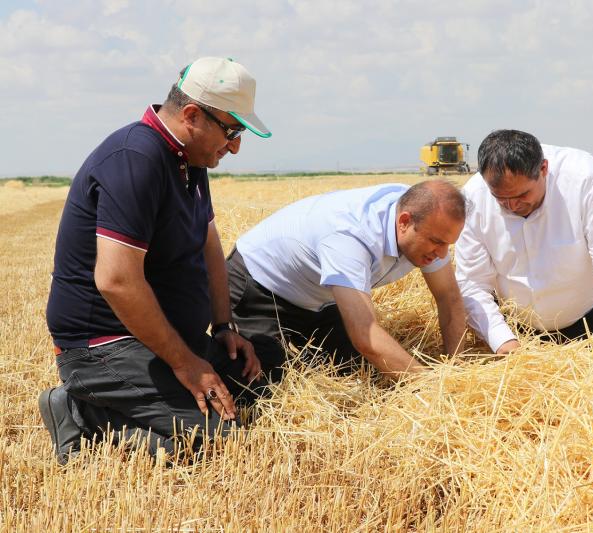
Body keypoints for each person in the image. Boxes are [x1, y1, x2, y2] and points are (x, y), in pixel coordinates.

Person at [40, 57, 272, 464]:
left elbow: (208, 244)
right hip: (102, 346)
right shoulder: (136, 159)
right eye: (232, 130)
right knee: (220, 441)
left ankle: (128, 402)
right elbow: (116, 281)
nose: (235, 145)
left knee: (256, 384)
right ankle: (82, 412)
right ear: (192, 115)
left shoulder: (189, 160)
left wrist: (223, 327)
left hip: (156, 340)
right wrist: (187, 365)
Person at [226, 180, 467, 381]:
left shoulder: (426, 219)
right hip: (259, 286)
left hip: (319, 296)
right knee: (265, 383)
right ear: (404, 222)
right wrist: (432, 387)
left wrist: (455, 368)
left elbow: (449, 297)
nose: (442, 255)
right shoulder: (350, 236)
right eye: (437, 242)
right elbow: (366, 336)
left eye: (448, 244)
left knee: (356, 373)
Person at [455, 129, 593, 353]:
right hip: (516, 331)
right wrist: (501, 340)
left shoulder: (586, 178)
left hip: (591, 323)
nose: (512, 206)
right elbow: (472, 283)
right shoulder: (473, 198)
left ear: (543, 169)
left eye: (521, 195)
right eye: (500, 198)